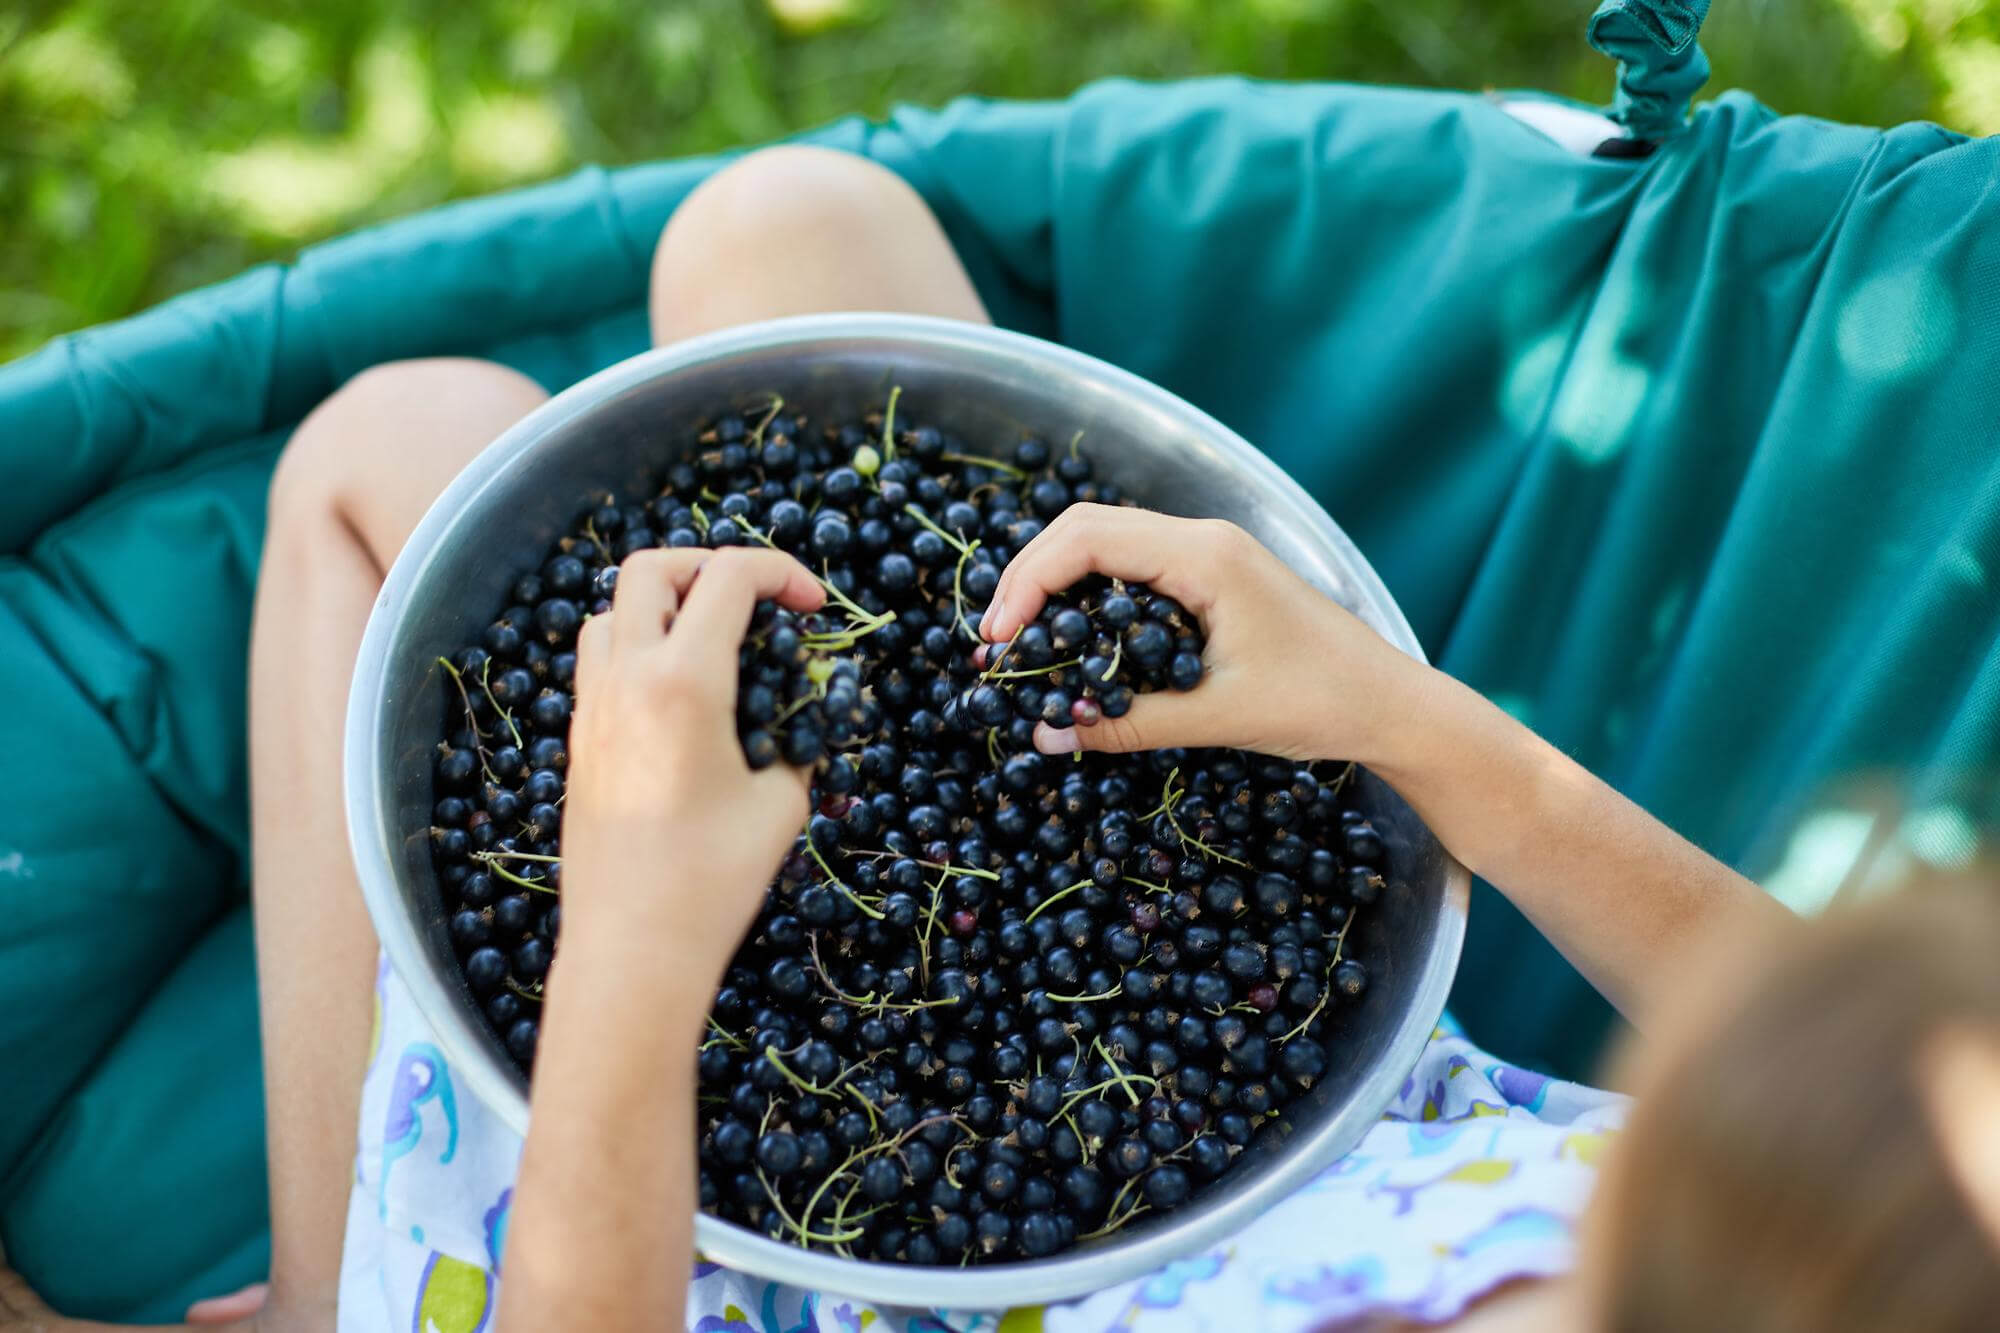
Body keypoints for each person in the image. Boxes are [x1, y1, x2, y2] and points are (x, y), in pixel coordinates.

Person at [4, 144, 1998, 1333]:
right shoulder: (1885, 1235)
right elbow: (1793, 1022)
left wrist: (625, 963)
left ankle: (333, 1267)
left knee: (376, 464)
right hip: (1310, 1114)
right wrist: (1396, 715)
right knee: (791, 228)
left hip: (742, 1255)